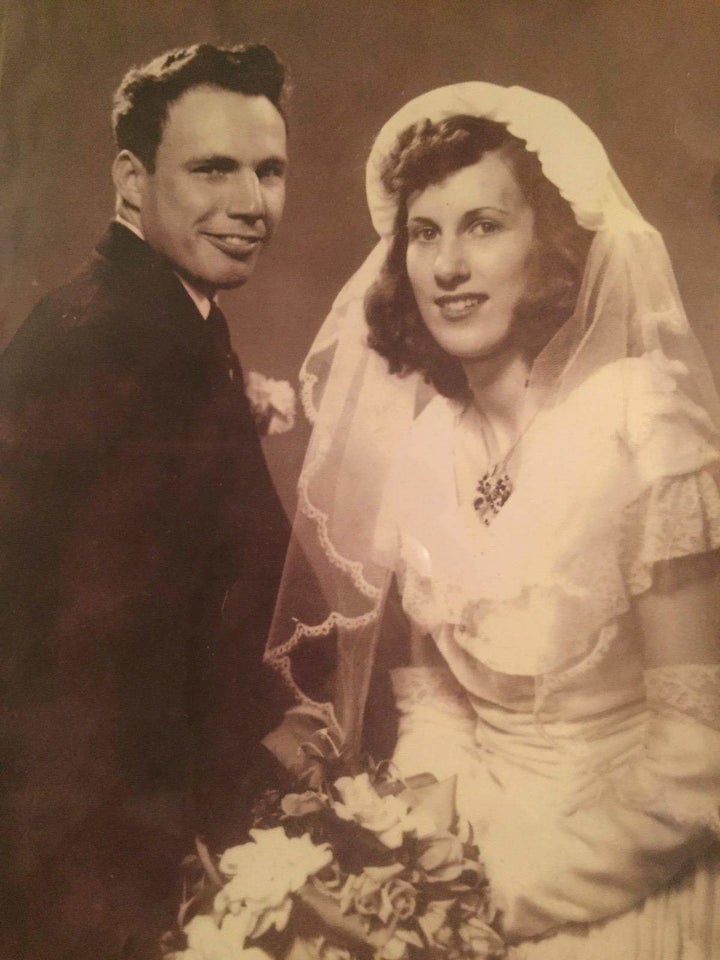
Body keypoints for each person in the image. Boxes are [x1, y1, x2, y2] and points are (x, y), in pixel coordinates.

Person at [264, 83, 720, 958]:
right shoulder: (427, 446)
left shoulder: (645, 425)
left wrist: (497, 897)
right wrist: (423, 835)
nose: (447, 267)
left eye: (484, 226)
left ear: (548, 250)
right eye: (425, 234)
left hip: (624, 876)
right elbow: (433, 694)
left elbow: (700, 759)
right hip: (460, 855)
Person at [0, 43, 291, 960]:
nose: (251, 204)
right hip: (105, 873)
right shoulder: (101, 339)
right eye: (214, 169)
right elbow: (80, 674)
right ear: (132, 180)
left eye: (269, 171)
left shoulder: (169, 311)